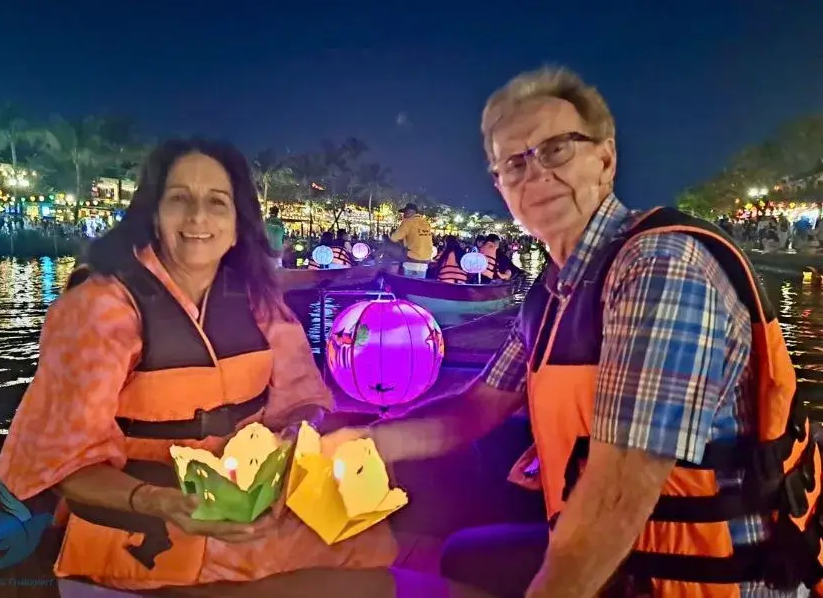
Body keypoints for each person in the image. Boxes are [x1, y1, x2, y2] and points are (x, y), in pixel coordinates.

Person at [322, 67, 822, 598]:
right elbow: (474, 409)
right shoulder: (554, 290)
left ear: (605, 160)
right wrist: (363, 441)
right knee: (462, 556)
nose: (535, 174)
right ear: (501, 187)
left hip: (708, 581)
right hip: (625, 559)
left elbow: (617, 495)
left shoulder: (659, 266)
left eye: (557, 149)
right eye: (514, 163)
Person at [0, 139, 396, 594]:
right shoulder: (98, 309)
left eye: (217, 202)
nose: (198, 218)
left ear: (238, 223)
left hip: (246, 514)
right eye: (179, 199)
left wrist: (289, 447)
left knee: (373, 566)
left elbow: (304, 400)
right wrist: (162, 502)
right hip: (139, 534)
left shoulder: (256, 301)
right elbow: (62, 462)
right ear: (152, 214)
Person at [389, 203, 433, 278]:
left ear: (409, 212)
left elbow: (393, 238)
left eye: (404, 213)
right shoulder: (426, 223)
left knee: (407, 285)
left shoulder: (408, 222)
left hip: (412, 260)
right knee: (419, 286)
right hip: (425, 261)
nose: (403, 215)